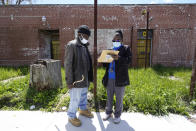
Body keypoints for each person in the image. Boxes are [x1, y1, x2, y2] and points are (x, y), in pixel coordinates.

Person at [64, 25, 94, 127]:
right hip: (76, 81)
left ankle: (82, 109)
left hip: (84, 79)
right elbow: (68, 64)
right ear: (79, 34)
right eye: (85, 36)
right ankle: (71, 116)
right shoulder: (72, 45)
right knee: (75, 99)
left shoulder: (84, 46)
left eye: (88, 37)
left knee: (83, 96)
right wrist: (69, 81)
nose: (86, 39)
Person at [102, 30, 131, 124]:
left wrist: (119, 58)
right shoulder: (110, 50)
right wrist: (104, 60)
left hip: (120, 78)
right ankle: (108, 112)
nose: (116, 41)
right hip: (110, 77)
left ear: (122, 40)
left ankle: (117, 115)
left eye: (118, 39)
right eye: (114, 40)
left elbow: (129, 61)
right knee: (109, 96)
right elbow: (104, 65)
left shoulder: (126, 49)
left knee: (119, 98)